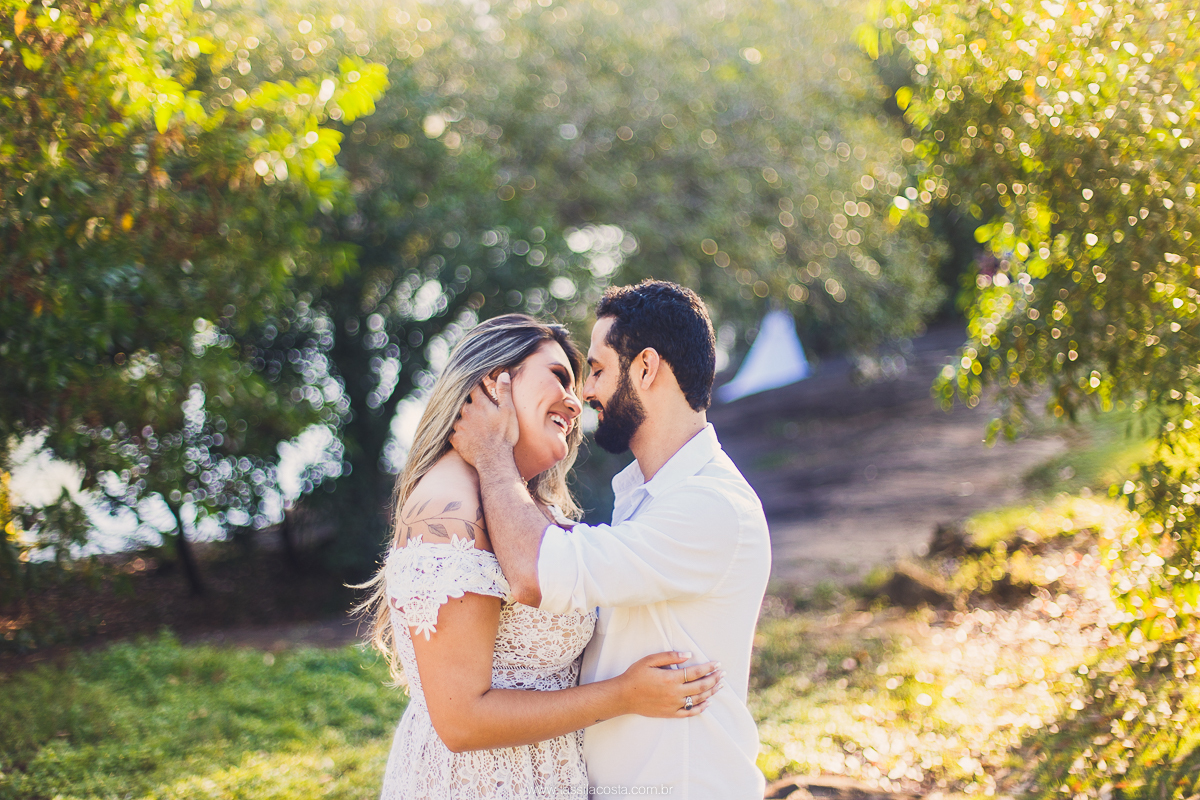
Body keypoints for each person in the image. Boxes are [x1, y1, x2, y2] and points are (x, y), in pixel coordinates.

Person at [356, 313, 723, 800]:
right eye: (558, 376)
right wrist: (626, 695)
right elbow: (462, 720)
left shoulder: (520, 506)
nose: (576, 402)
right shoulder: (445, 508)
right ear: (494, 382)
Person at [451, 282, 772, 799]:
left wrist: (491, 453)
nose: (586, 395)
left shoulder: (710, 506)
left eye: (596, 369)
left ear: (646, 368)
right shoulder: (650, 498)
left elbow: (537, 572)